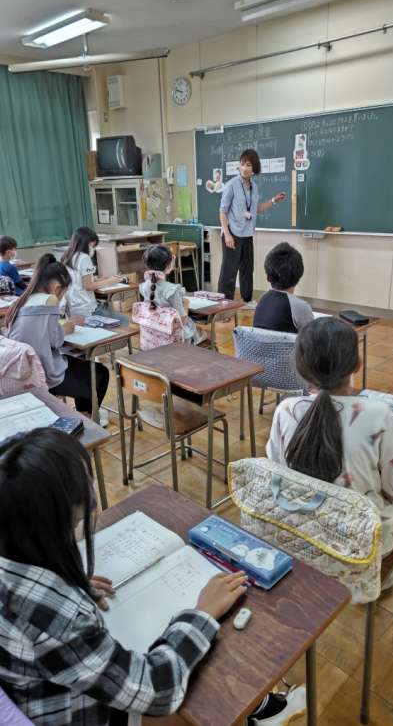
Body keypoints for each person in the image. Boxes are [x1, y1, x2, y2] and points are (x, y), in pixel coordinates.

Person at [0, 428, 248, 725]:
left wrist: (67, 582)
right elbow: (157, 689)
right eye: (82, 500)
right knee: (209, 695)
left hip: (32, 693)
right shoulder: (54, 617)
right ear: (50, 524)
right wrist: (203, 613)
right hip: (74, 713)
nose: (94, 503)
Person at [266, 317, 393, 558]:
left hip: (300, 529)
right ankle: (385, 571)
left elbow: (276, 466)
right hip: (361, 542)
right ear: (358, 364)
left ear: (299, 365)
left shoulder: (286, 410)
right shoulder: (379, 415)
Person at [6, 254, 109, 416]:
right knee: (100, 373)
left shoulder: (20, 301)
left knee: (80, 367)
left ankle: (80, 414)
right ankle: (86, 417)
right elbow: (56, 341)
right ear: (57, 288)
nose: (61, 298)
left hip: (22, 374)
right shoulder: (50, 300)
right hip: (44, 375)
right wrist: (68, 326)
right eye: (63, 294)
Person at [218, 149, 286, 310]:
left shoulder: (254, 187)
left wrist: (273, 201)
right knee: (229, 271)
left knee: (247, 269)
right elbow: (222, 211)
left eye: (248, 165)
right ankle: (224, 304)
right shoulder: (231, 185)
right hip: (232, 233)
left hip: (247, 233)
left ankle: (247, 300)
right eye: (242, 164)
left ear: (254, 168)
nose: (244, 168)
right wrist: (227, 234)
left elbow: (256, 209)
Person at [140, 244, 205, 344]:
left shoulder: (143, 287)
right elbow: (182, 321)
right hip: (174, 341)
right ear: (169, 265)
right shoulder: (172, 290)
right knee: (206, 334)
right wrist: (186, 303)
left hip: (153, 338)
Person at [62, 227, 127, 323]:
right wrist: (110, 281)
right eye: (93, 245)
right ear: (85, 242)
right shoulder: (84, 258)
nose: (93, 248)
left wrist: (105, 279)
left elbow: (80, 280)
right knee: (124, 320)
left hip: (73, 308)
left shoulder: (68, 256)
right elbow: (89, 286)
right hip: (86, 308)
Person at [254, 242, 313, 333]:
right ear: (298, 276)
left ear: (268, 278)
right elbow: (311, 338)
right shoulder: (301, 307)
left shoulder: (262, 299)